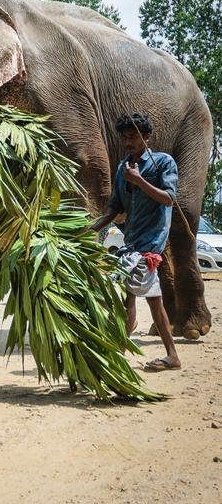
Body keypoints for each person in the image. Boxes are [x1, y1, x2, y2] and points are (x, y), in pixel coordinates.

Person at [91, 112, 181, 371]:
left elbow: (168, 199)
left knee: (129, 296)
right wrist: (93, 228)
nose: (129, 142)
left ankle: (118, 354)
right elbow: (115, 206)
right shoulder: (123, 168)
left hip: (149, 243)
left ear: (147, 138)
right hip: (131, 241)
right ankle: (171, 354)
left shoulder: (162, 162)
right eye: (125, 138)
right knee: (150, 299)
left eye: (134, 137)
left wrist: (139, 180)